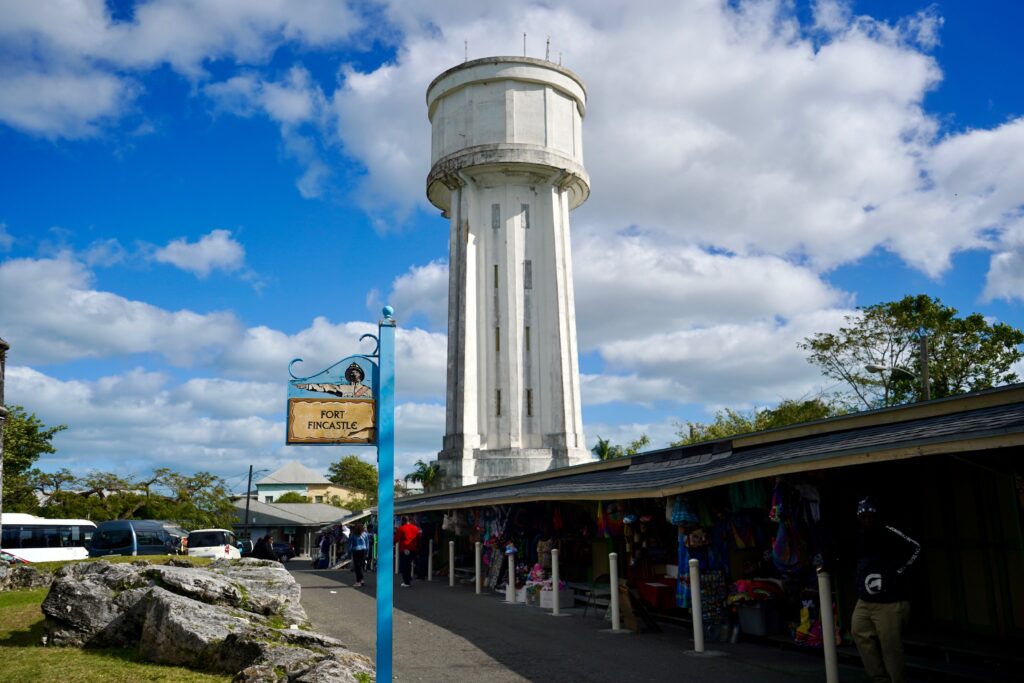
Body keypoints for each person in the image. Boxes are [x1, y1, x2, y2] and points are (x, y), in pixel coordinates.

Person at [851, 498, 921, 683]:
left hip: (889, 600)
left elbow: (915, 548)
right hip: (865, 598)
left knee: (890, 646)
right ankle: (879, 678)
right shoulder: (859, 535)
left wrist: (897, 573)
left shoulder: (889, 531)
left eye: (869, 515)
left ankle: (896, 679)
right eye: (862, 516)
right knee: (858, 632)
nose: (866, 519)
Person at [395, 515, 421, 587]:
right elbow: (419, 538)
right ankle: (408, 578)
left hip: (405, 549)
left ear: (403, 521)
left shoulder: (402, 528)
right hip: (413, 549)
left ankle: (407, 581)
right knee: (409, 564)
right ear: (409, 520)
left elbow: (396, 538)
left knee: (405, 565)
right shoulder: (416, 528)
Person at [350, 523, 370, 587]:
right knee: (361, 565)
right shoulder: (365, 534)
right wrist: (367, 552)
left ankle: (358, 581)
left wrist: (349, 552)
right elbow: (367, 544)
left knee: (357, 566)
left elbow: (350, 545)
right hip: (363, 550)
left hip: (356, 550)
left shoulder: (353, 535)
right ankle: (362, 580)